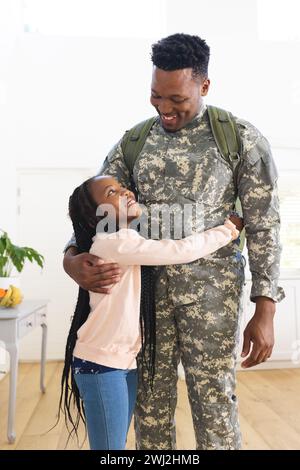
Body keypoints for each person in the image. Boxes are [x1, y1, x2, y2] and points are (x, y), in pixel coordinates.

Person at [63, 34, 284, 450]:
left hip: (214, 301)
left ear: (203, 86)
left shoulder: (240, 139)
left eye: (176, 99)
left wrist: (266, 307)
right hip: (145, 304)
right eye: (155, 97)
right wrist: (71, 257)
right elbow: (93, 205)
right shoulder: (134, 143)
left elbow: (264, 225)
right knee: (150, 410)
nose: (165, 108)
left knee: (215, 407)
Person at [60, 174, 240, 450]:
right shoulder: (113, 243)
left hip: (122, 362)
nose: (126, 192)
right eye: (112, 193)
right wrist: (227, 230)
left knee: (115, 445)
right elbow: (179, 250)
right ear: (98, 215)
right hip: (101, 365)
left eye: (122, 186)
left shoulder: (124, 239)